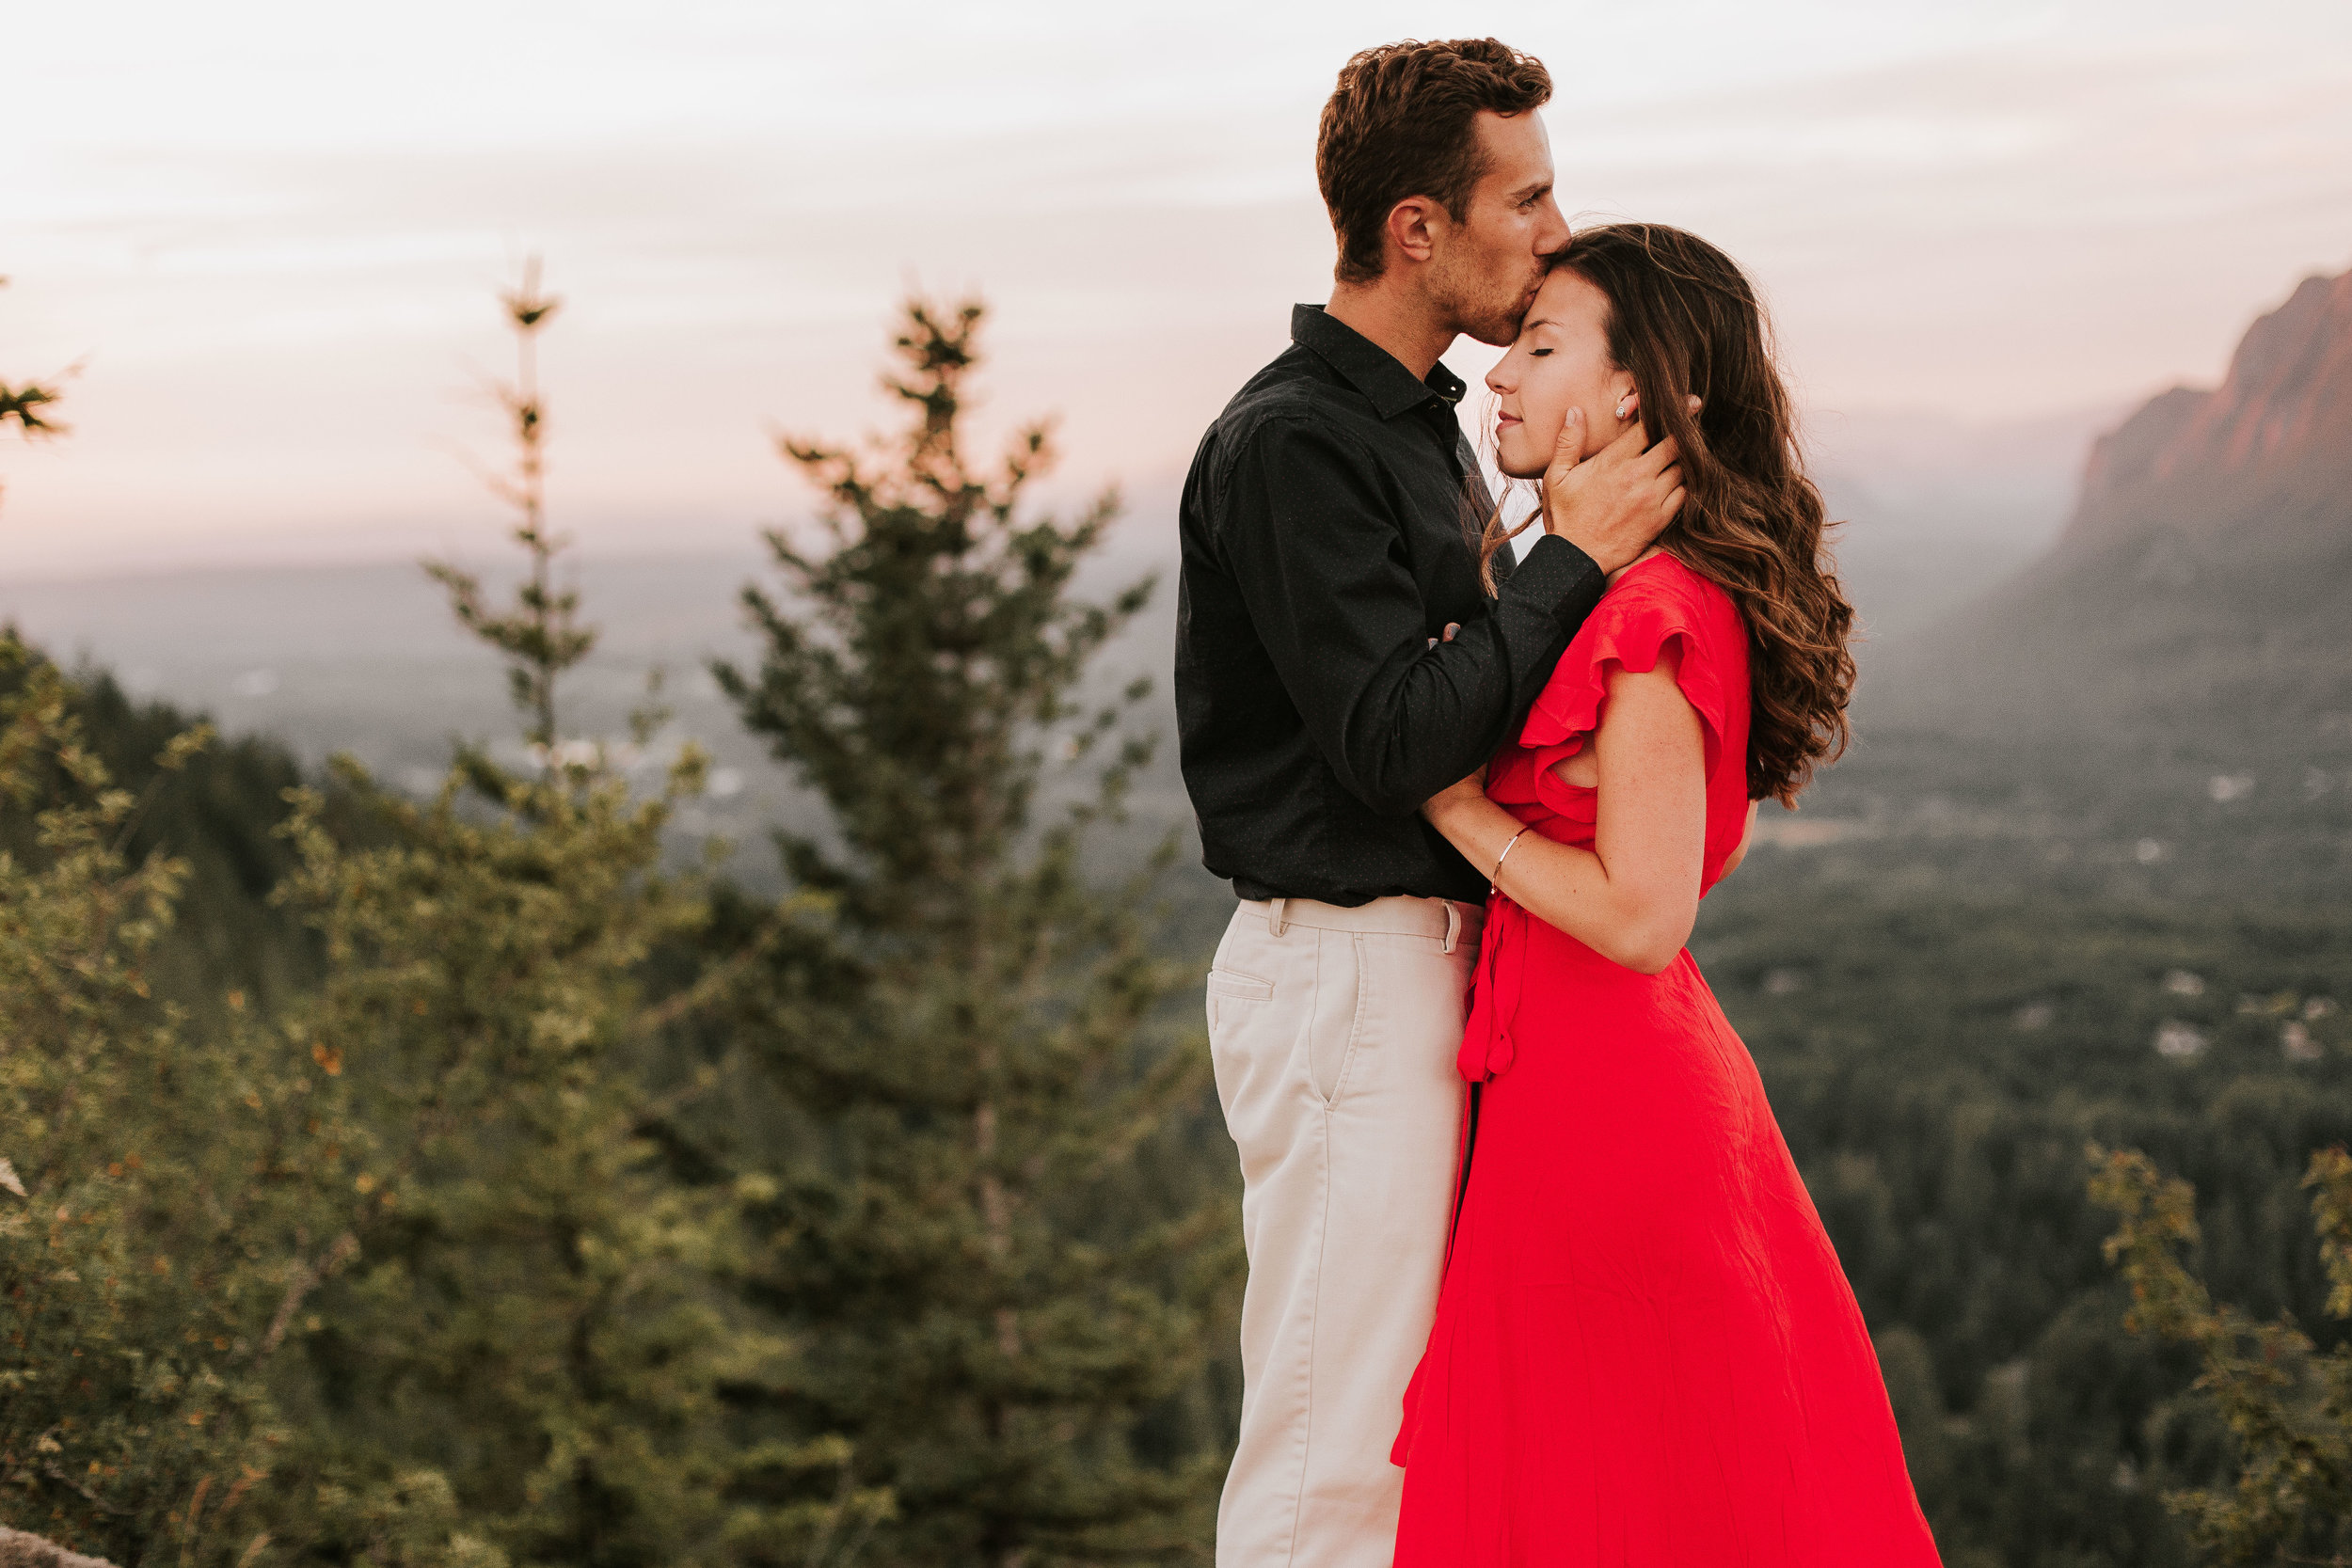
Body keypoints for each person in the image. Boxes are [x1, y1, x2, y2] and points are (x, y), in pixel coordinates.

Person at [1173, 38, 1684, 1568]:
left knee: (1405, 1432)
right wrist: (1572, 557)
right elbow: (1395, 741)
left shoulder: (1414, 423)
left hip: (1418, 971)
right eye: (1524, 199)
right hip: (1343, 970)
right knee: (1335, 1448)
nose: (1553, 229)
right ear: (1418, 227)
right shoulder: (1294, 443)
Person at [1389, 223, 1943, 1564]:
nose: (1498, 377)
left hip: (1605, 1115)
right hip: (1594, 1093)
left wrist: (1462, 808)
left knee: (1616, 1500)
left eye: (1539, 344)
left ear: (1633, 391)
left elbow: (1645, 915)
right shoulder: (1633, 589)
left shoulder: (1649, 613)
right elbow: (1688, 852)